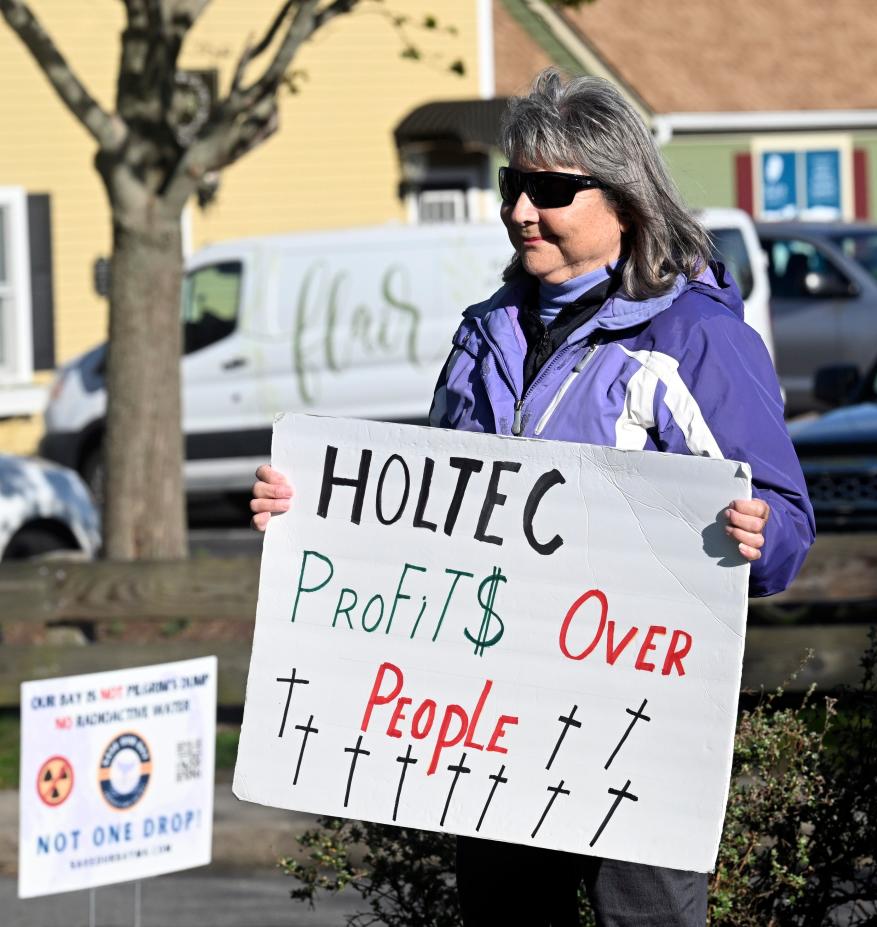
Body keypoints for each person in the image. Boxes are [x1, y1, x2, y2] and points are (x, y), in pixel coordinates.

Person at [251, 69, 815, 927]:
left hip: (639, 719)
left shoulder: (696, 337)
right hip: (494, 716)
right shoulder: (485, 334)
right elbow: (421, 503)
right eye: (514, 184)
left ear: (623, 198)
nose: (521, 209)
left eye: (551, 189)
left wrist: (761, 531)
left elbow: (785, 522)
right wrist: (307, 514)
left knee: (648, 918)